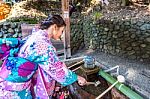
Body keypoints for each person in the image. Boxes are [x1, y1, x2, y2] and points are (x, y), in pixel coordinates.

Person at [0, 14, 87, 98]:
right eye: (62, 31)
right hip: (16, 87)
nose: (61, 34)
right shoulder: (44, 45)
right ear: (55, 27)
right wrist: (76, 77)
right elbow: (57, 70)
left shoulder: (35, 36)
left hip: (11, 80)